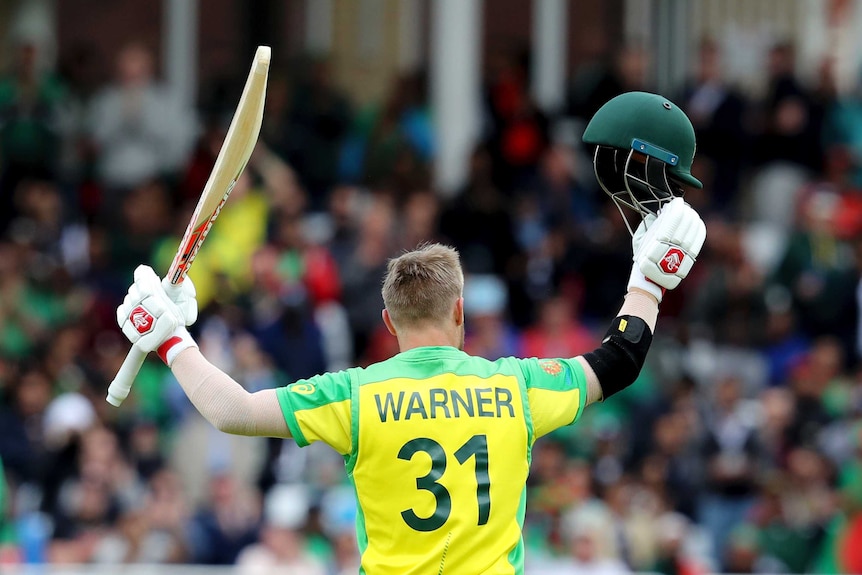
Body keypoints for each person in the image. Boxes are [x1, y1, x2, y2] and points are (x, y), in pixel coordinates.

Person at [113, 91, 706, 574]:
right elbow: (621, 360)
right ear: (459, 314)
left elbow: (231, 409)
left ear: (388, 321)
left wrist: (170, 339)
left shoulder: (354, 396)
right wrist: (646, 285)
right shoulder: (517, 387)